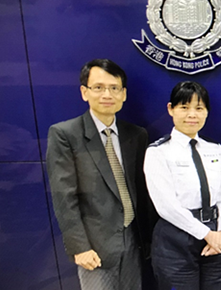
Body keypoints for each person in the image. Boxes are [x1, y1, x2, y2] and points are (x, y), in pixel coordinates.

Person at [46, 59, 149, 290]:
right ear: (84, 92)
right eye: (99, 87)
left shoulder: (136, 135)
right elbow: (64, 197)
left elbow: (142, 189)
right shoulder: (65, 134)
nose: (107, 94)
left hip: (133, 240)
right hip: (94, 247)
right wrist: (79, 247)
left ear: (123, 94)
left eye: (114, 88)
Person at [144, 81, 221, 290]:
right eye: (184, 107)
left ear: (206, 112)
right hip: (176, 240)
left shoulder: (215, 149)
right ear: (170, 109)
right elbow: (166, 206)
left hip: (216, 239)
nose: (192, 114)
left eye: (199, 108)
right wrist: (206, 234)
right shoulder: (158, 152)